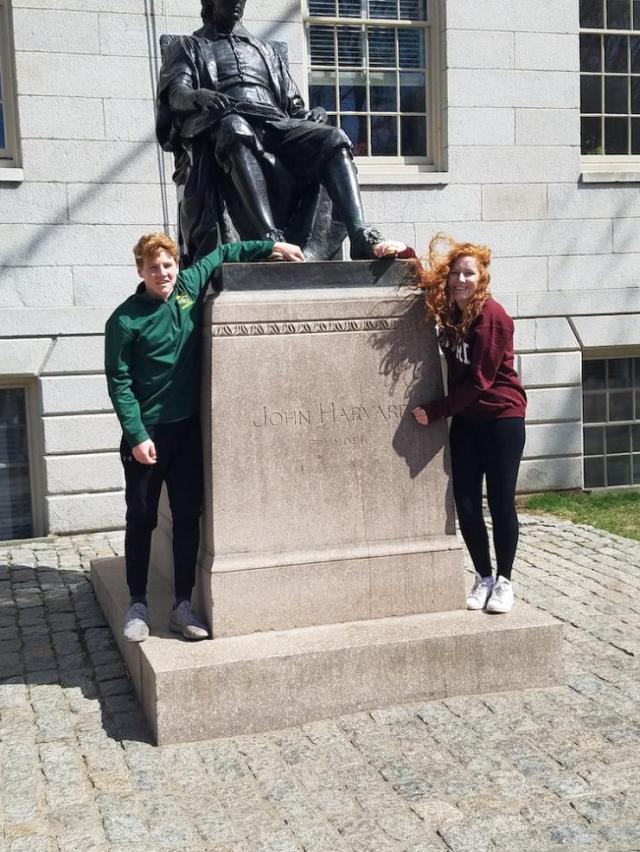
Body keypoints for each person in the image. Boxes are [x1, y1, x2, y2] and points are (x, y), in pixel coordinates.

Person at [105, 233, 305, 643]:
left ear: (176, 266)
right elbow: (119, 382)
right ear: (140, 271)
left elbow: (224, 253)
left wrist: (273, 248)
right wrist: (137, 435)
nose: (162, 273)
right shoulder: (124, 320)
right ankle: (138, 604)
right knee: (141, 518)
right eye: (153, 267)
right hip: (148, 434)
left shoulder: (187, 288)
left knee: (185, 517)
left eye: (167, 265)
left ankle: (181, 604)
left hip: (186, 431)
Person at [156, 0, 390, 262]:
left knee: (334, 137)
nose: (236, 3)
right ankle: (269, 237)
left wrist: (315, 114)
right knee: (234, 127)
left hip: (277, 125)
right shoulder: (188, 47)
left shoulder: (265, 50)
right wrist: (199, 96)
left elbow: (294, 105)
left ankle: (359, 235)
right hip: (229, 121)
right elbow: (177, 93)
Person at [412, 234, 527, 614]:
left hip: (500, 419)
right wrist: (403, 255)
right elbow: (423, 280)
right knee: (465, 502)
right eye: (456, 274)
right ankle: (484, 577)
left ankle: (506, 580)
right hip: (467, 421)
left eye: (469, 274)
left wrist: (437, 410)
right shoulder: (452, 314)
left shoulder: (492, 317)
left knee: (499, 500)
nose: (461, 280)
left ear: (481, 279)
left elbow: (481, 379)